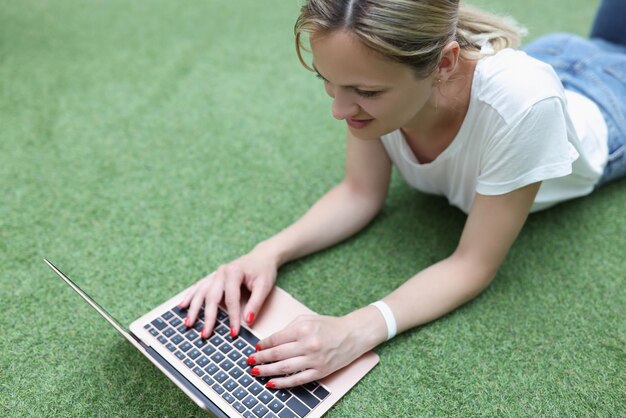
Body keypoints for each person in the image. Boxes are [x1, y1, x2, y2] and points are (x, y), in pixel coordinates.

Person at [178, 0, 626, 390]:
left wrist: (357, 329)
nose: (338, 109)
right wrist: (265, 254)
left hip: (608, 99)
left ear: (444, 64)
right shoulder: (376, 72)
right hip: (558, 55)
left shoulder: (524, 105)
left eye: (366, 92)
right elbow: (359, 193)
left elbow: (471, 264)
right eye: (327, 81)